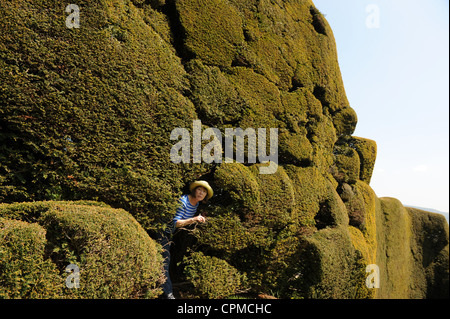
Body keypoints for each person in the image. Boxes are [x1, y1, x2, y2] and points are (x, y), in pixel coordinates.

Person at [159, 180, 213, 299]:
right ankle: (168, 294)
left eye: (204, 192)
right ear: (194, 190)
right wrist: (194, 219)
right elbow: (176, 223)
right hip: (161, 230)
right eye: (199, 190)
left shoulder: (196, 204)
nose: (201, 193)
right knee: (164, 261)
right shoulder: (183, 202)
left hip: (170, 233)